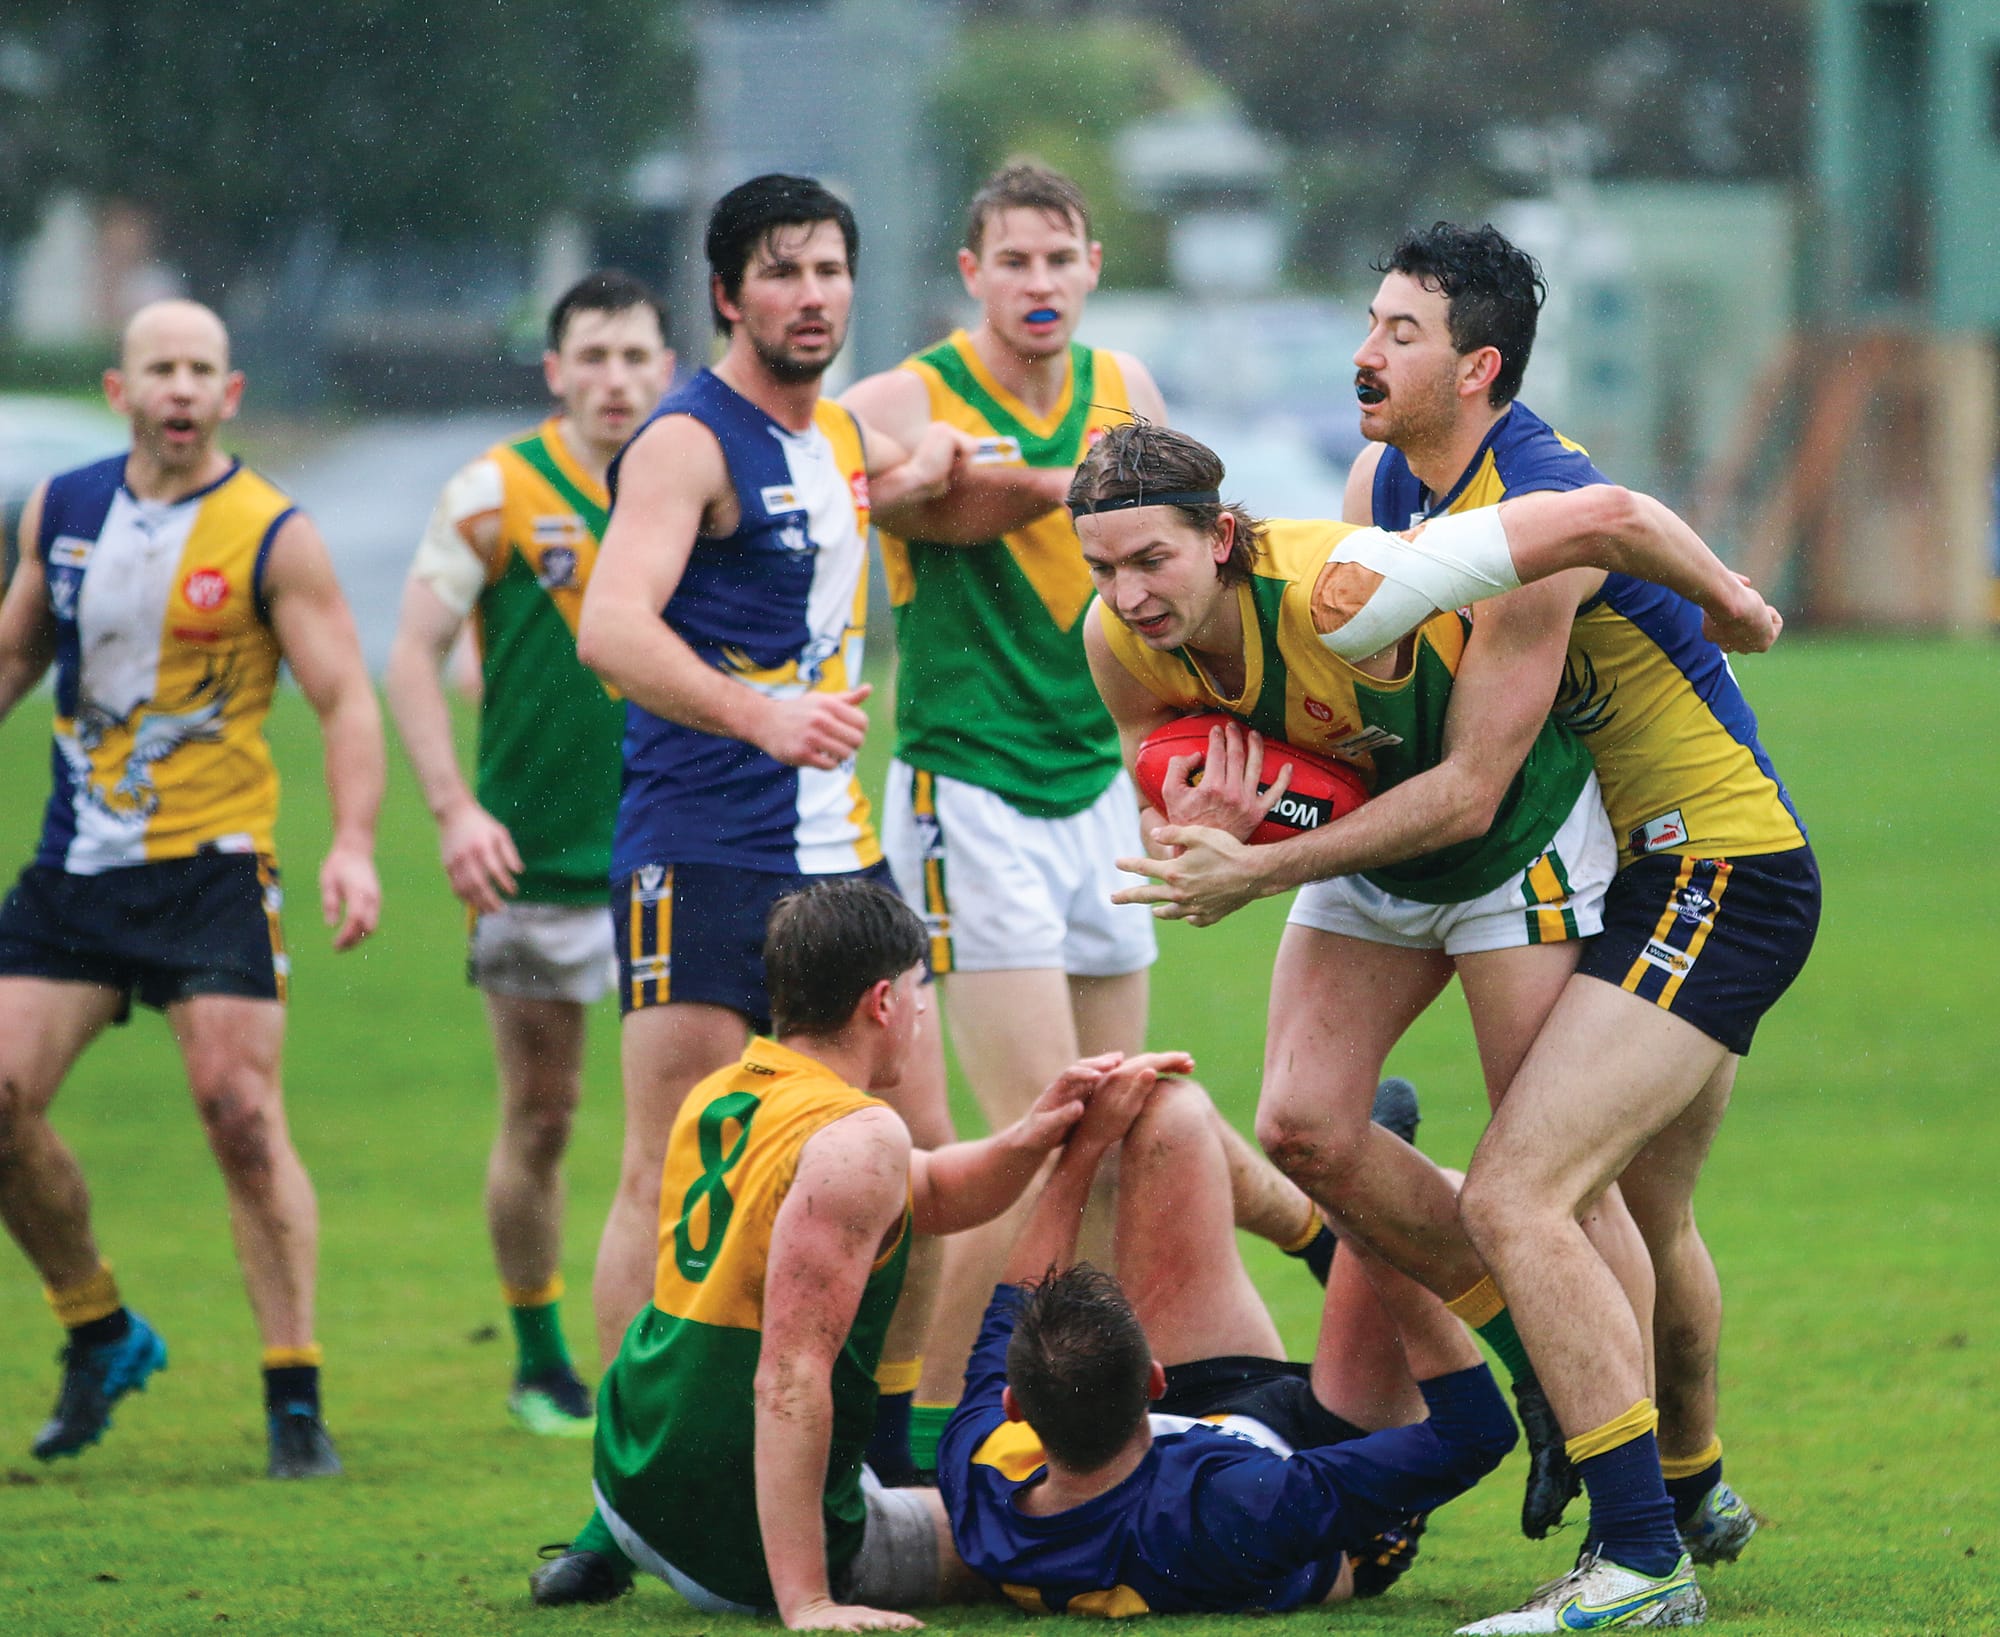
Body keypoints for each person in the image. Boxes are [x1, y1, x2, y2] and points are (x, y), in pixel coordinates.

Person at [1077, 422, 1777, 1569]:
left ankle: (1639, 1494)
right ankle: (1540, 1374)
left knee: (1562, 1183)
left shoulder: (1344, 589)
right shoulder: (1116, 638)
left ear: (1220, 534)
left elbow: (1602, 521)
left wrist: (1731, 602)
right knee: (1301, 1125)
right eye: (1102, 567)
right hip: (1365, 858)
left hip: (1509, 845)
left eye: (1150, 558)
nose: (1129, 592)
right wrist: (1188, 821)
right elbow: (1153, 757)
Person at [1337, 223, 1817, 1632]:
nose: (1366, 351)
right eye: (1370, 320)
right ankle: (1697, 1480)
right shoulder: (1389, 475)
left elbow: (1476, 775)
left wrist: (1260, 862)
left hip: (1719, 874)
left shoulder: (1540, 506)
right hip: (1657, 878)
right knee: (1640, 1209)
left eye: (1402, 332)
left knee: (1516, 1196)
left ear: (1478, 366)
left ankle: (1642, 1562)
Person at [841, 162, 1333, 1459]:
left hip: (1102, 782)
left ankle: (1079, 1428)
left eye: (1060, 259)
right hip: (969, 789)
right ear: (972, 275)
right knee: (1040, 1140)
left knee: (1112, 1127)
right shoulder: (907, 394)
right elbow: (826, 474)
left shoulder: (1128, 394)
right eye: (1013, 261)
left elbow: (1195, 555)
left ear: (1093, 266)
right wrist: (906, 480)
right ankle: (917, 1449)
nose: (1039, 283)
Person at [528, 877, 1182, 1629]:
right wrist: (809, 1600)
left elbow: (931, 1191)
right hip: (738, 1536)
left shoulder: (728, 1091)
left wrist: (1036, 1130)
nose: (920, 1010)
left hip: (633, 1479)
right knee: (1033, 1529)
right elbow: (789, 1375)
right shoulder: (858, 1135)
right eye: (917, 991)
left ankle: (602, 1543)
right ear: (880, 1002)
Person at [574, 175, 967, 1388]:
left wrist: (1002, 462)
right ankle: (625, 1489)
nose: (811, 295)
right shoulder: (686, 442)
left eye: (829, 270)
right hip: (699, 847)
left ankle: (880, 1442)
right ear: (725, 293)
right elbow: (609, 627)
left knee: (918, 1150)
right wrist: (762, 715)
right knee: (676, 1163)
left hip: (841, 860)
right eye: (783, 271)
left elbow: (926, 468)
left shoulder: (842, 433)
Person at [0, 299, 383, 1478]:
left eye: (199, 369)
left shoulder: (274, 532)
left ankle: (293, 1396)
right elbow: (17, 651)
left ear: (230, 394)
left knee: (240, 1115)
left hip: (214, 866)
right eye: (158, 366)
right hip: (77, 868)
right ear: (121, 391)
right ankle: (98, 1325)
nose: (178, 386)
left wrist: (354, 842)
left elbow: (343, 698)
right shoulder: (60, 511)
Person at [383, 270, 674, 1435]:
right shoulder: (494, 490)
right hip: (536, 865)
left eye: (634, 355)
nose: (614, 377)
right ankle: (542, 1356)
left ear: (667, 365)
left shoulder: (700, 479)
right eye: (590, 356)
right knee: (543, 1117)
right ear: (554, 370)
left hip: (677, 857)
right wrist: (455, 808)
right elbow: (411, 651)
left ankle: (670, 1348)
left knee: (696, 1119)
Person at [939, 1062, 1517, 1614]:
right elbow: (1474, 1435)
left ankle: (1323, 1232)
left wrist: (1088, 1145)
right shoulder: (1232, 1507)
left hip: (1205, 1429)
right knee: (1427, 1201)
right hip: (1321, 1456)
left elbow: (1017, 1294)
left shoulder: (982, 1467)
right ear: (1152, 1377)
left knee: (1168, 1110)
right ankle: (1347, 1226)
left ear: (1013, 1404)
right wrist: (1379, 1245)